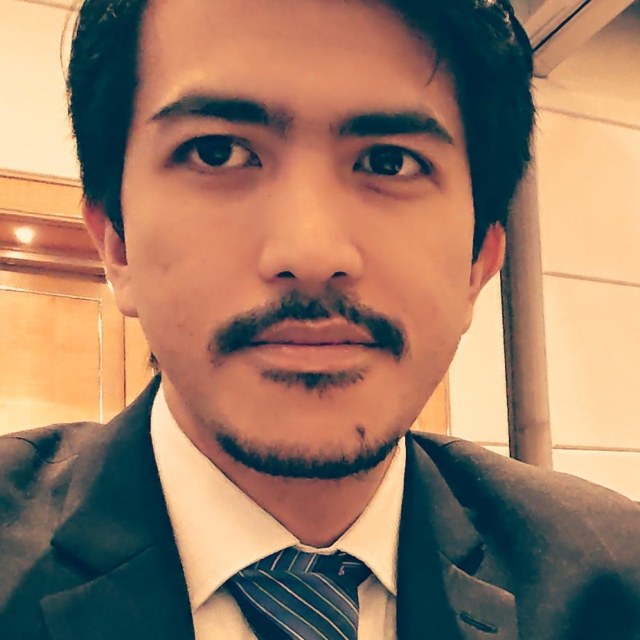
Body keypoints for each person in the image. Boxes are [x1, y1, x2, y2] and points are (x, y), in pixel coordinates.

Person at [1, 0, 639, 638]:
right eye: (218, 153)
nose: (310, 254)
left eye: (389, 162)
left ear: (479, 262)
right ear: (116, 244)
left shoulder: (615, 582)